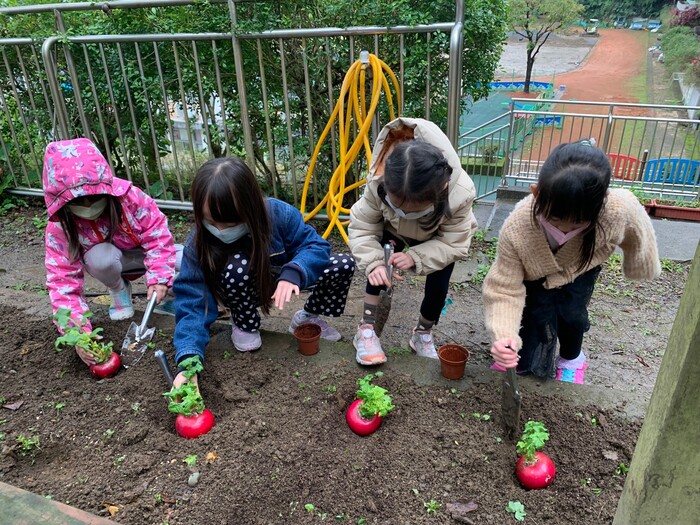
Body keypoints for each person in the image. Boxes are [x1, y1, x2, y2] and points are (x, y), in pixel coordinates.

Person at [483, 141, 661, 384]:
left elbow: (638, 228)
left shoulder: (617, 210)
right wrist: (503, 334)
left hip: (581, 265)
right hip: (535, 272)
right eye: (555, 219)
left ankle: (572, 359)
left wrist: (640, 263)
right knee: (534, 313)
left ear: (602, 203)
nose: (564, 229)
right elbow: (504, 287)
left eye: (577, 223)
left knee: (573, 314)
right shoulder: (517, 229)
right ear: (536, 193)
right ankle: (516, 354)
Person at [172, 156, 354, 388]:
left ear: (251, 207)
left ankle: (307, 316)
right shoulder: (198, 241)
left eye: (230, 223)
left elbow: (316, 246)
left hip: (282, 278)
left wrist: (294, 272)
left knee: (343, 264)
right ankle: (245, 323)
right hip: (239, 287)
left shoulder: (278, 214)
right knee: (237, 266)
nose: (220, 230)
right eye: (211, 221)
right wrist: (188, 362)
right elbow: (191, 300)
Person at [348, 117, 478, 366]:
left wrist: (415, 257)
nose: (405, 213)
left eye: (415, 209)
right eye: (397, 206)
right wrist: (374, 262)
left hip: (435, 237)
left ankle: (422, 333)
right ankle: (365, 329)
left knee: (438, 284)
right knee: (377, 270)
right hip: (392, 231)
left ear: (442, 189)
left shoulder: (459, 194)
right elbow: (363, 226)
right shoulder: (378, 182)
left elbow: (454, 243)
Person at [43, 138, 178, 366]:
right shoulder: (60, 228)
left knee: (183, 260)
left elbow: (157, 234)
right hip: (113, 262)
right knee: (99, 258)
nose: (87, 206)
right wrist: (79, 335)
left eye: (94, 198)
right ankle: (119, 291)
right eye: (78, 201)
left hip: (143, 254)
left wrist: (159, 279)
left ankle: (165, 298)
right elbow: (61, 282)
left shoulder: (130, 198)